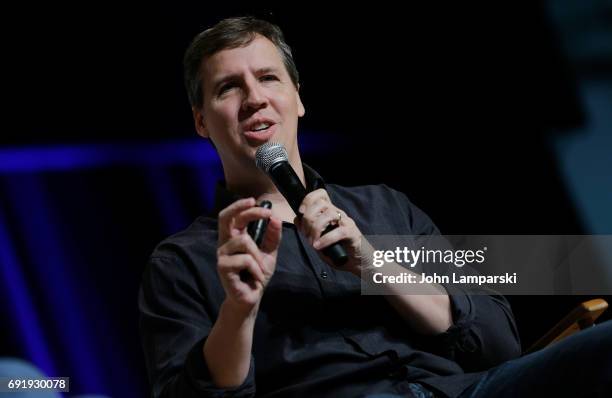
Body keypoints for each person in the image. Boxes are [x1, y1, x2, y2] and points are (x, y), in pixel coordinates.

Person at [139, 16, 612, 398]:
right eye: (228, 88)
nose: (255, 98)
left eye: (267, 78)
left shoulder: (385, 207)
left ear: (298, 99)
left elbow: (495, 341)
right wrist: (238, 311)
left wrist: (373, 263)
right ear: (202, 121)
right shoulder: (184, 263)